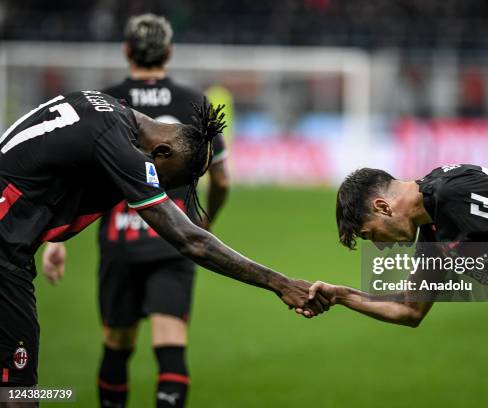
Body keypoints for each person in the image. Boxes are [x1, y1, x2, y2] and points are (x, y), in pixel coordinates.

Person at [0, 90, 328, 407]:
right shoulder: (119, 144)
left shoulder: (101, 105)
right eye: (166, 180)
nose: (161, 187)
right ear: (163, 152)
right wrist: (280, 284)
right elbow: (191, 240)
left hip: (14, 243)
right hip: (5, 252)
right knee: (19, 393)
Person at [41, 14, 229, 408]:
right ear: (169, 52)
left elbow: (74, 178)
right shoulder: (195, 102)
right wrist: (203, 222)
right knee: (171, 344)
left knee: (116, 345)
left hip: (119, 239)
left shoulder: (103, 100)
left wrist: (56, 240)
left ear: (126, 50)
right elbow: (223, 179)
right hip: (172, 237)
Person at [302, 164, 488, 408]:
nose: (379, 247)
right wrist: (341, 295)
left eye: (371, 235)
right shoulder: (432, 226)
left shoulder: (451, 192)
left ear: (382, 206)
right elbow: (409, 308)